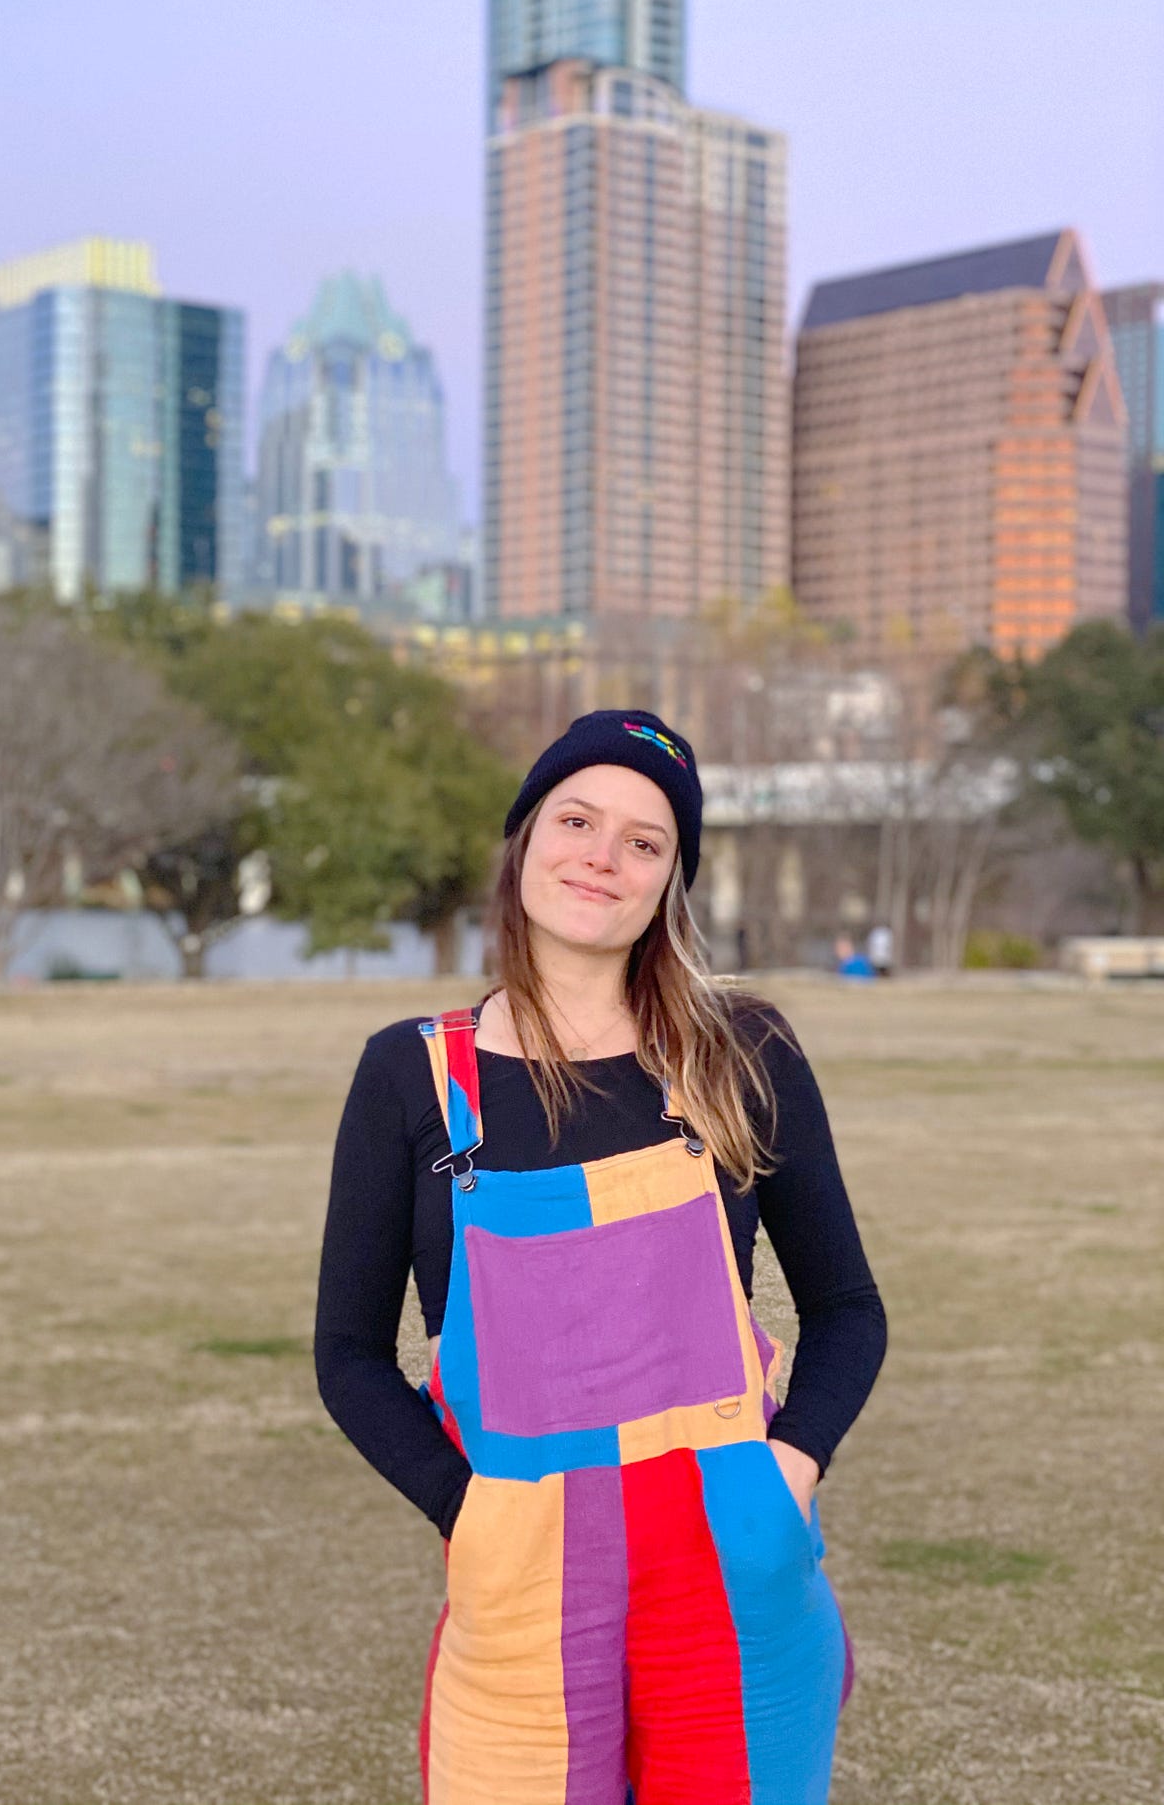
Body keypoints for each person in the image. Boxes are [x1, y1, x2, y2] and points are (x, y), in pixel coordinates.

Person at [315, 709, 887, 1805]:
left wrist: (787, 1471)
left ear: (669, 881)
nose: (601, 858)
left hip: (735, 1573)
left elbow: (848, 1308)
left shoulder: (743, 1055)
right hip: (522, 1578)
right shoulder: (411, 1075)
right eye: (577, 820)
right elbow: (345, 1353)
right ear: (524, 840)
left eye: (643, 841)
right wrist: (466, 1511)